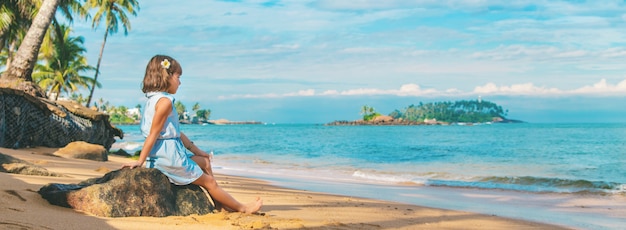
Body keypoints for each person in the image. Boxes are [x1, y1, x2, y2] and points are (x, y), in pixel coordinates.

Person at [122, 54, 262, 214]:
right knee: (209, 182)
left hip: (167, 155)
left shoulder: (153, 99)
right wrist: (140, 161)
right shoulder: (165, 102)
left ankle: (220, 204)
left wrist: (197, 151)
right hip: (170, 159)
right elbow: (153, 134)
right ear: (166, 76)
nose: (180, 82)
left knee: (205, 162)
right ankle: (243, 208)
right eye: (178, 77)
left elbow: (176, 133)